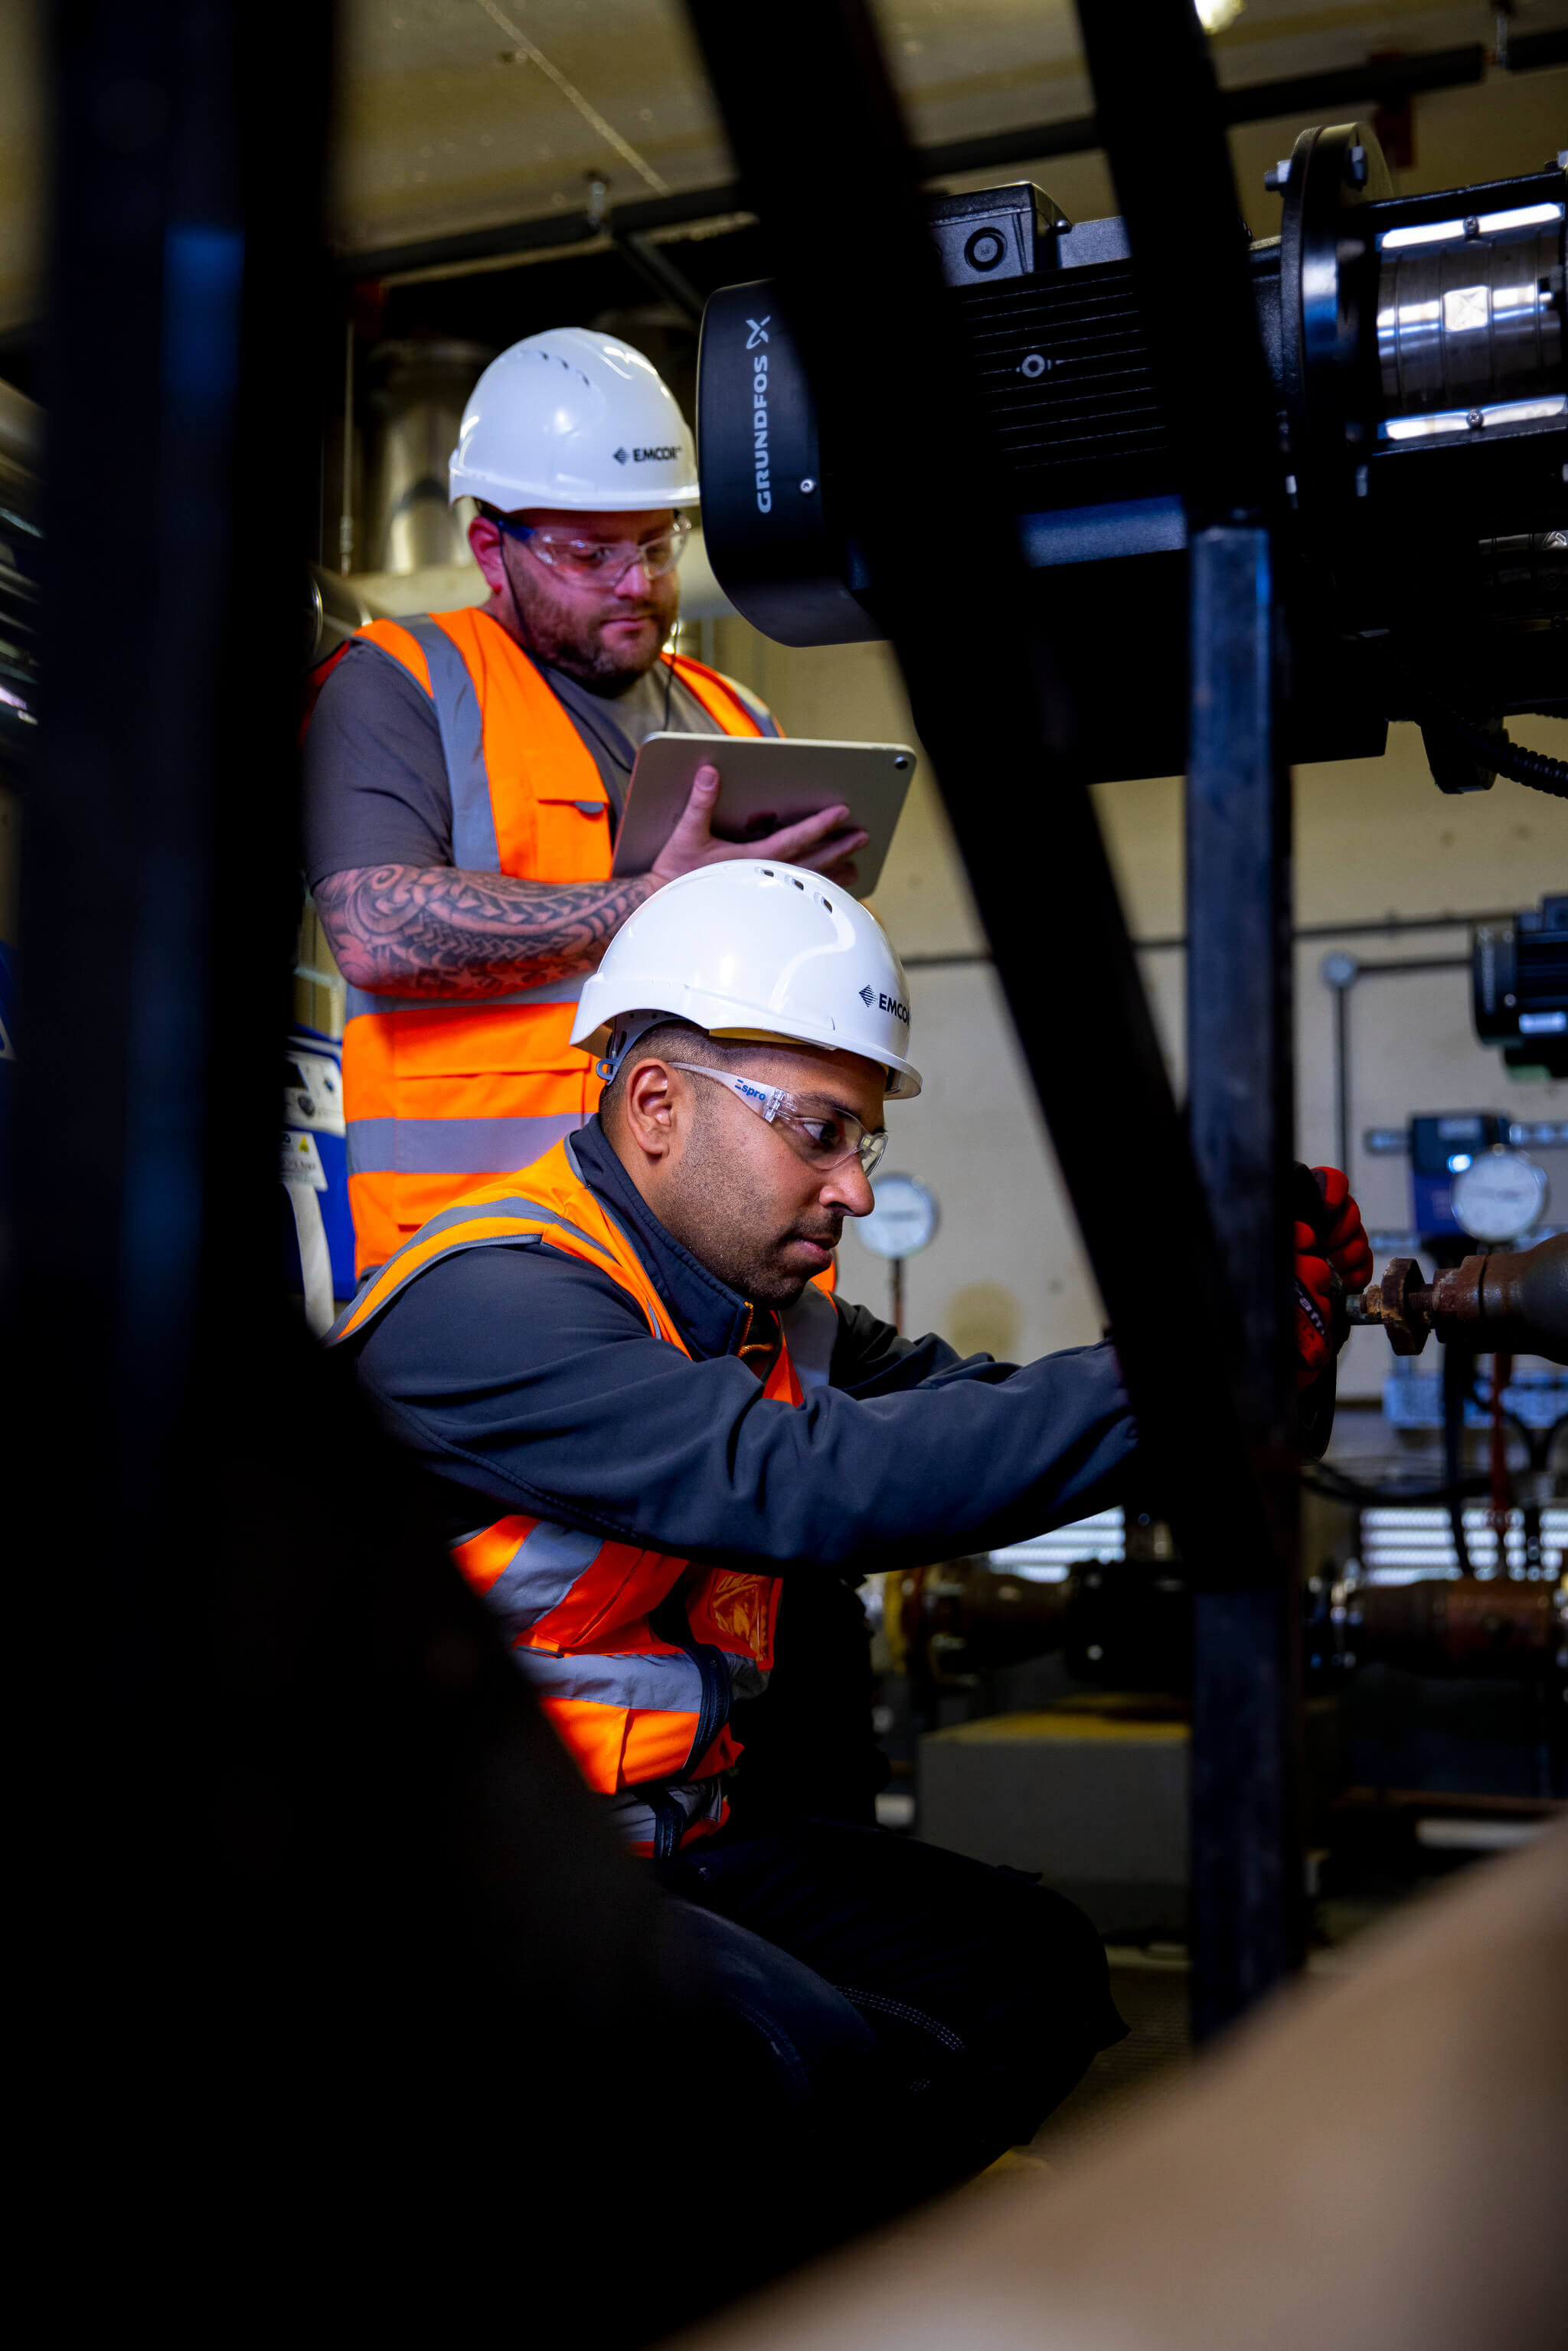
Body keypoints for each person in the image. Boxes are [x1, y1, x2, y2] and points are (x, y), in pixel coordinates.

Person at [327, 859, 1371, 2196]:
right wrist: (1178, 1377)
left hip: (673, 1837)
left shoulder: (770, 1313)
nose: (854, 1190)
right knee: (792, 2069)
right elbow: (808, 1482)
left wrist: (1226, 1345)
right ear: (655, 1103)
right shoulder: (491, 1306)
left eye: (860, 1142)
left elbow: (979, 1419)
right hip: (459, 1879)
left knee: (1028, 1968)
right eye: (816, 1132)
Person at [302, 327, 865, 1282]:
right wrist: (647, 903)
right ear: (491, 546)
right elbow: (372, 930)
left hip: (718, 1268)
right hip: (475, 1262)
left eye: (657, 544)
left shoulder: (734, 715)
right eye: (589, 553)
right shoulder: (400, 683)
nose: (638, 584)